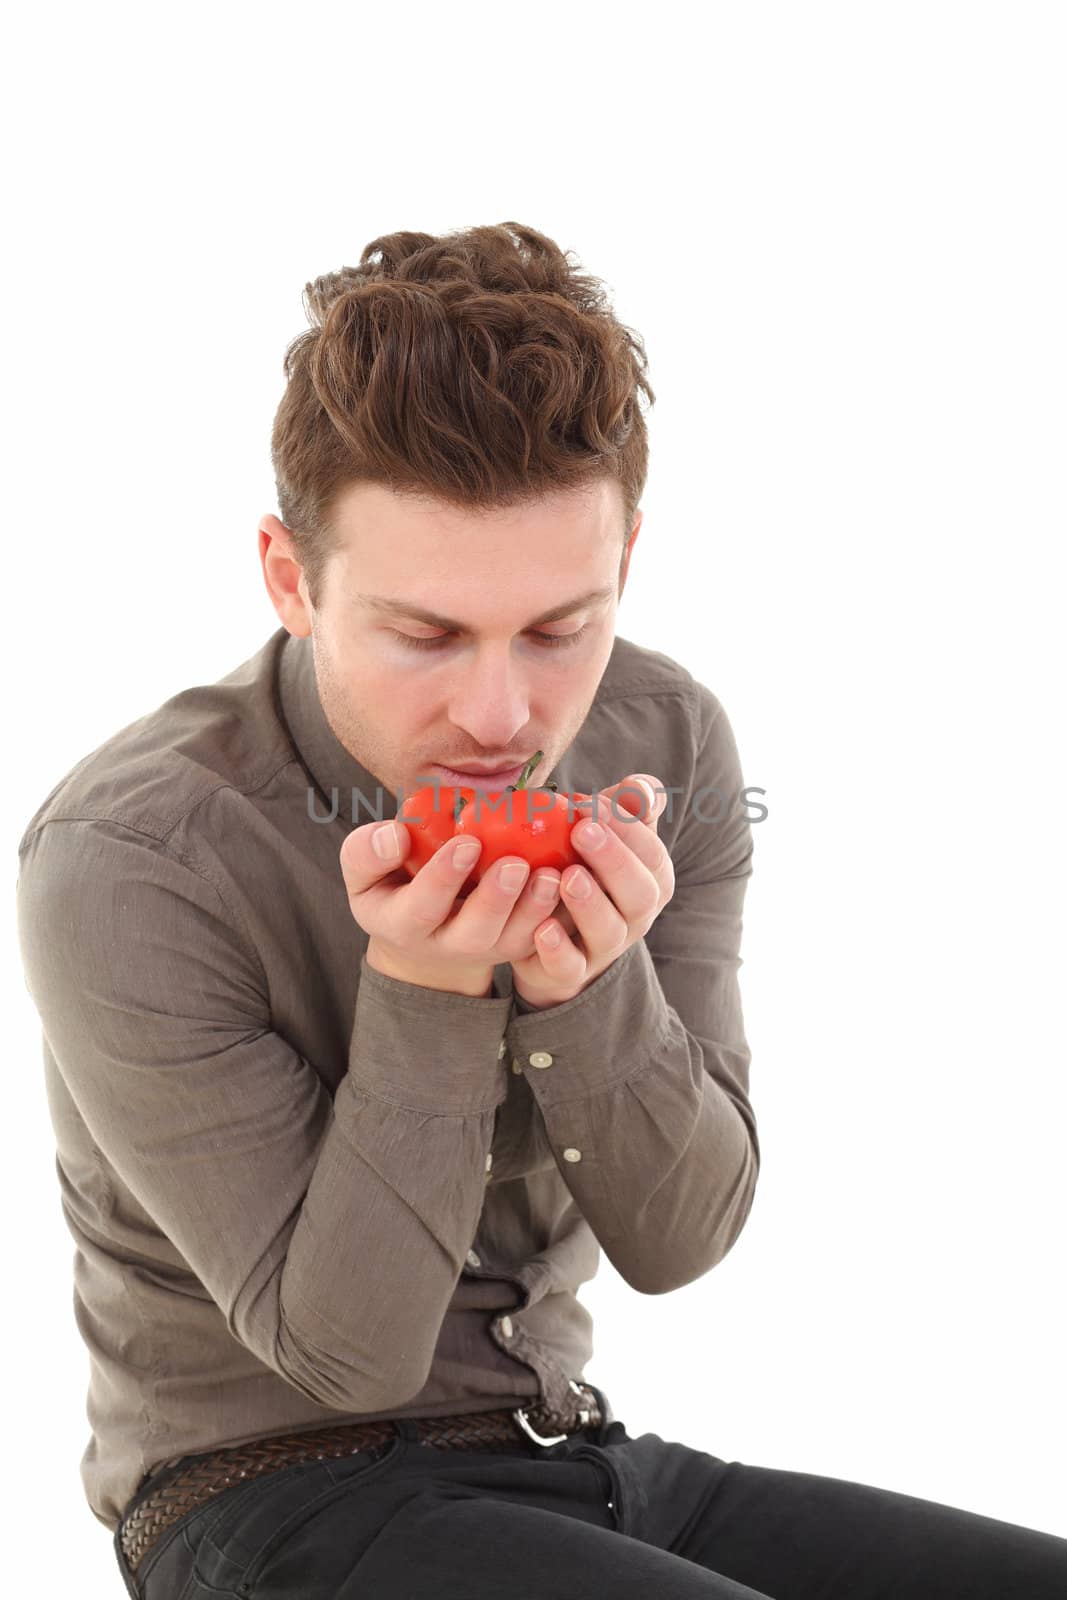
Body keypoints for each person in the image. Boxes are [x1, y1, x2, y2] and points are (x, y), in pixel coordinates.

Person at [15, 221, 1066, 1599]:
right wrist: (429, 989)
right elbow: (346, 1357)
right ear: (291, 580)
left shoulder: (666, 739)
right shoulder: (131, 856)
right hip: (262, 1503)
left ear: (628, 553)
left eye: (562, 627)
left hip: (573, 1457)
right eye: (427, 636)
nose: (503, 717)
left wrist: (592, 990)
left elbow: (681, 1239)